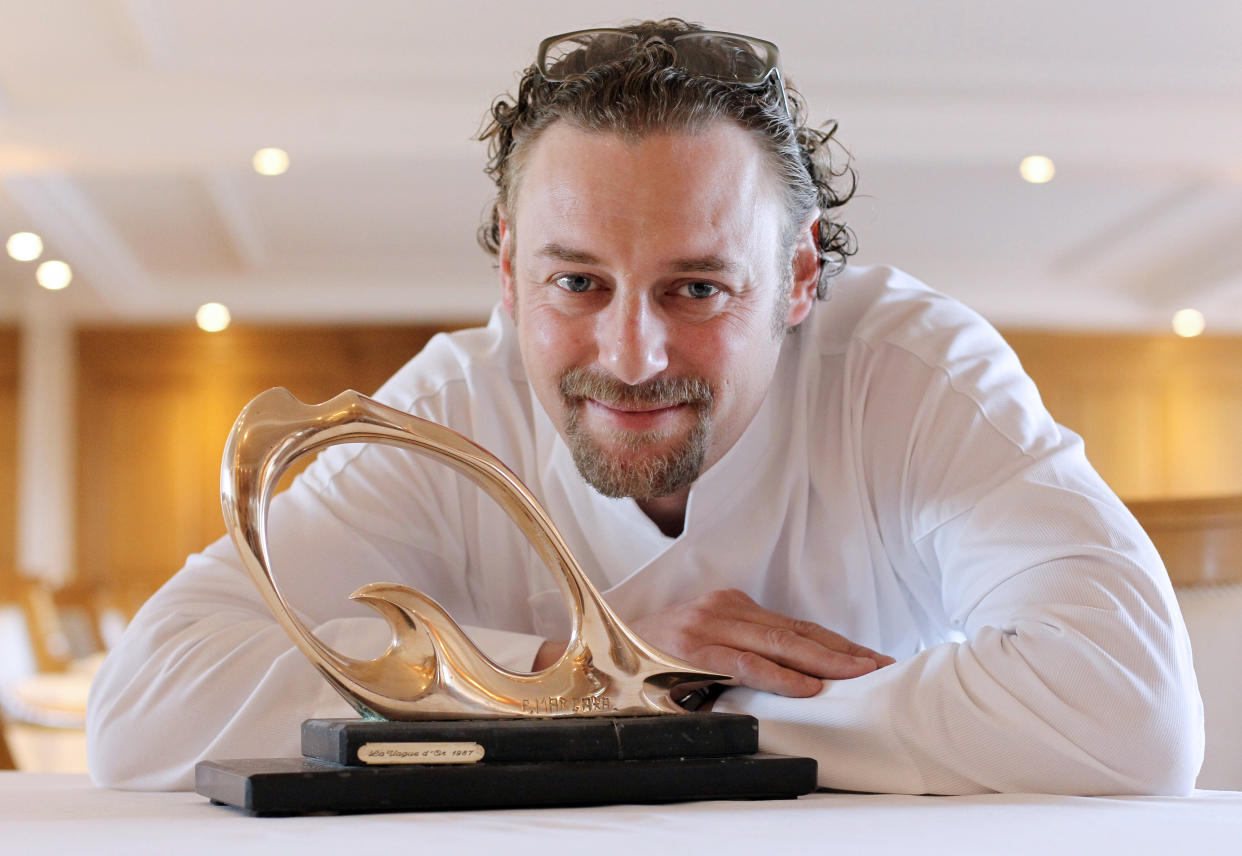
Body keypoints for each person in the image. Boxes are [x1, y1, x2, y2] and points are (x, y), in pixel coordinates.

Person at [87, 19, 1203, 794]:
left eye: (698, 287)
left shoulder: (912, 373)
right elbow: (151, 705)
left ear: (802, 278)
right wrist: (580, 676)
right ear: (509, 272)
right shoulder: (450, 409)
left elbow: (1133, 712)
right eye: (577, 283)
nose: (630, 355)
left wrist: (667, 710)